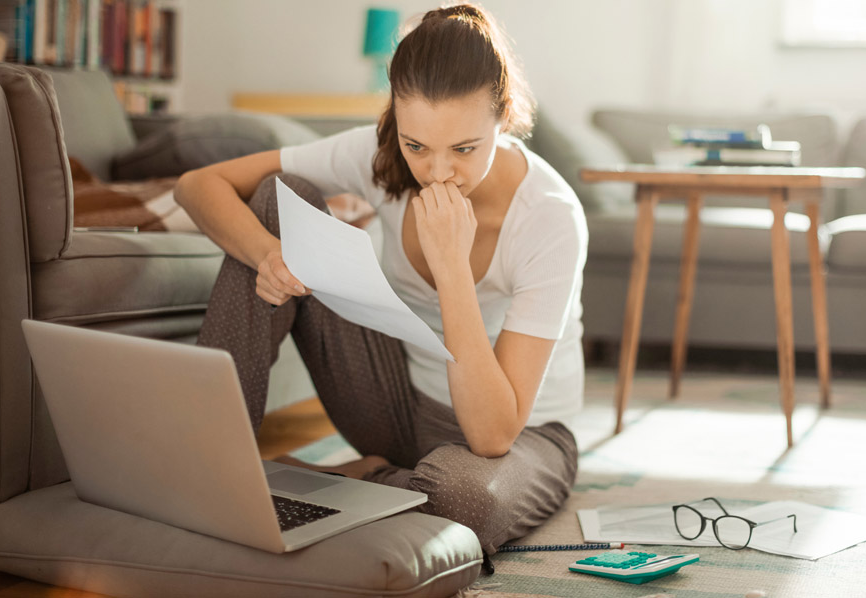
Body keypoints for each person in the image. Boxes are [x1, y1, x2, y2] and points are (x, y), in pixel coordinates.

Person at [174, 3, 587, 556]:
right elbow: (198, 186)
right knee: (280, 195)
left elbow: (493, 434)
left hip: (522, 437)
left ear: (503, 117)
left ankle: (357, 480)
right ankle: (212, 470)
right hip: (397, 404)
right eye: (418, 146)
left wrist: (451, 269)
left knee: (464, 503)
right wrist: (268, 254)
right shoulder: (377, 156)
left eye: (465, 149)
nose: (439, 173)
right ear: (398, 120)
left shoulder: (551, 217)